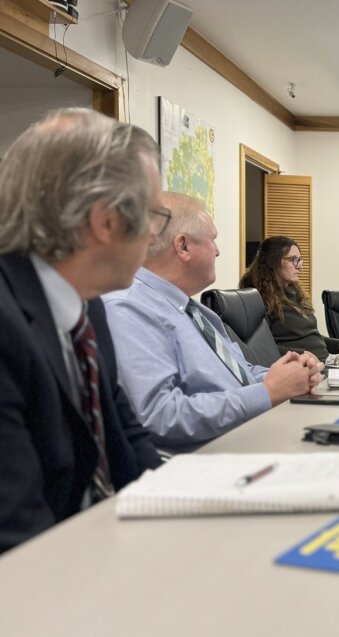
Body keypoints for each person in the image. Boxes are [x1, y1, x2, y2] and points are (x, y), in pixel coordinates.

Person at [0, 108, 163, 554]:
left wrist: (183, 506)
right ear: (106, 221)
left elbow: (125, 433)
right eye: (153, 216)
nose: (154, 236)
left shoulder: (88, 302)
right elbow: (18, 535)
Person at [103, 193, 324, 448]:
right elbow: (160, 416)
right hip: (213, 456)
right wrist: (268, 392)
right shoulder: (127, 308)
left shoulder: (196, 311)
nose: (218, 252)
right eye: (213, 240)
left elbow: (239, 372)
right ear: (183, 246)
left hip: (249, 435)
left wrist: (293, 374)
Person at [239, 236, 339, 365]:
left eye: (299, 260)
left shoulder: (292, 294)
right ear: (272, 262)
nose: (300, 266)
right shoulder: (261, 299)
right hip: (311, 366)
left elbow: (311, 336)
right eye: (293, 260)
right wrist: (302, 354)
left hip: (329, 360)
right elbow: (261, 348)